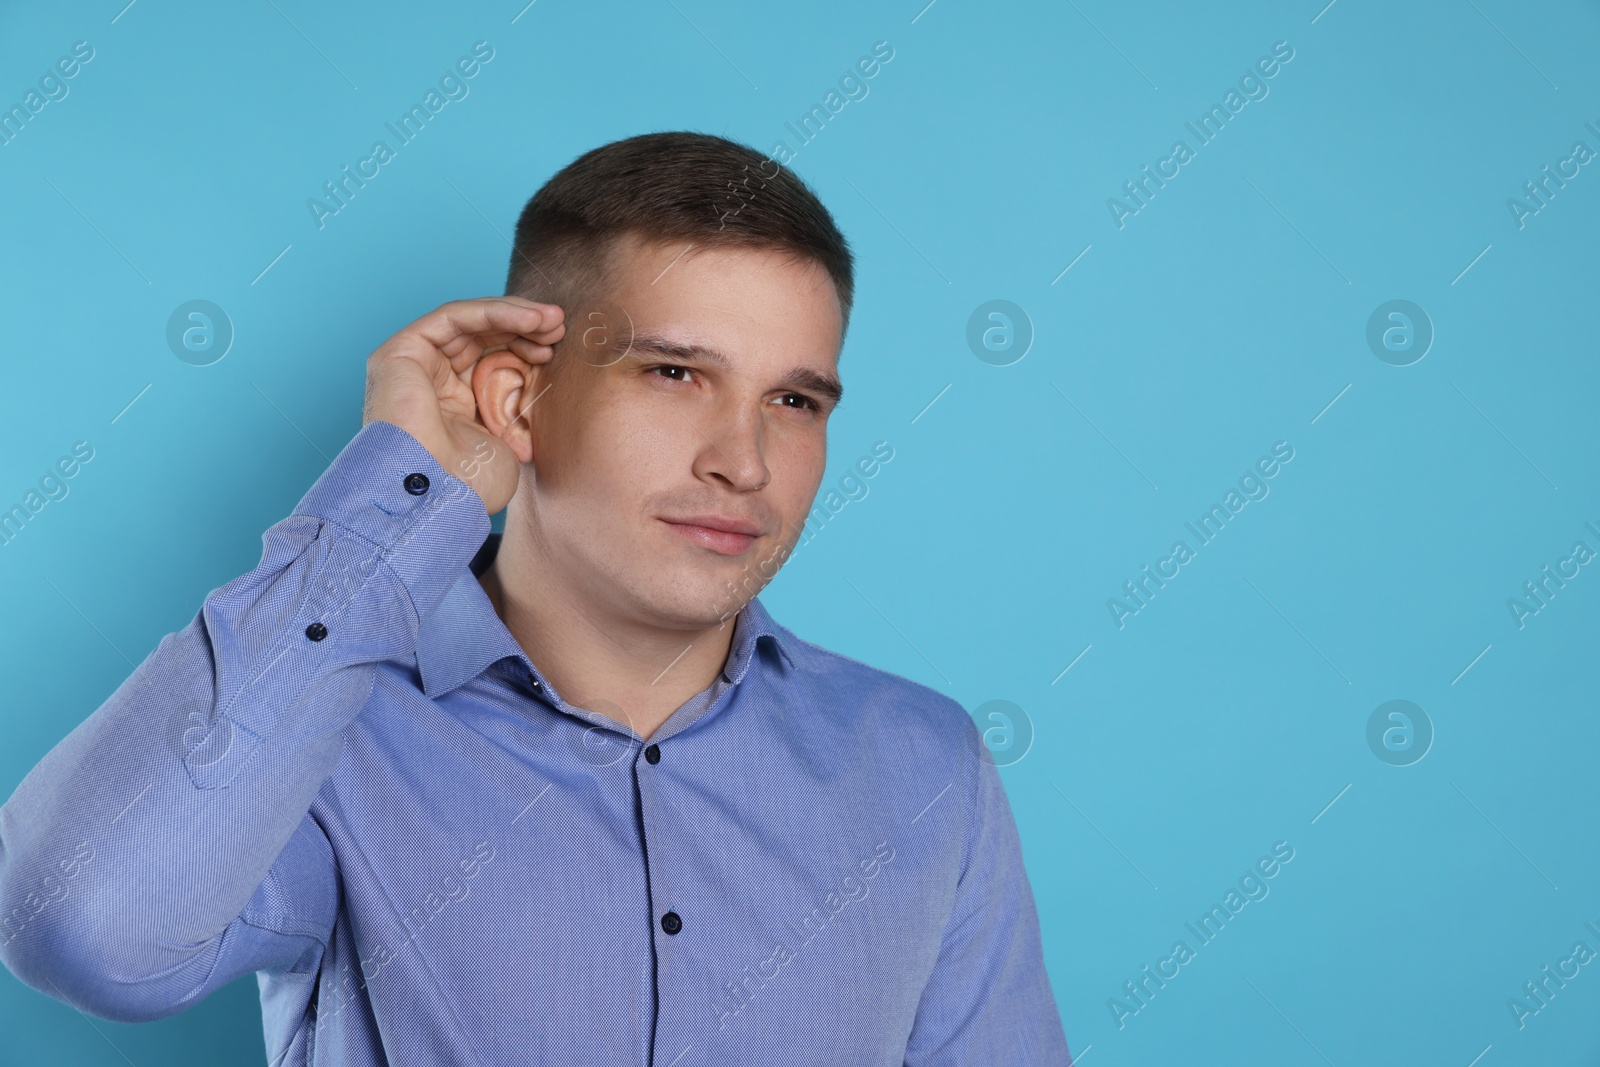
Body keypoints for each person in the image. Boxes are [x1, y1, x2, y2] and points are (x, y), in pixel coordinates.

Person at [0, 131, 1072, 1065]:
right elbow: (76, 924)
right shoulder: (328, 726)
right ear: (519, 397)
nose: (744, 461)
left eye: (793, 399)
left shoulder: (924, 765)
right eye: (673, 373)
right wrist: (395, 494)